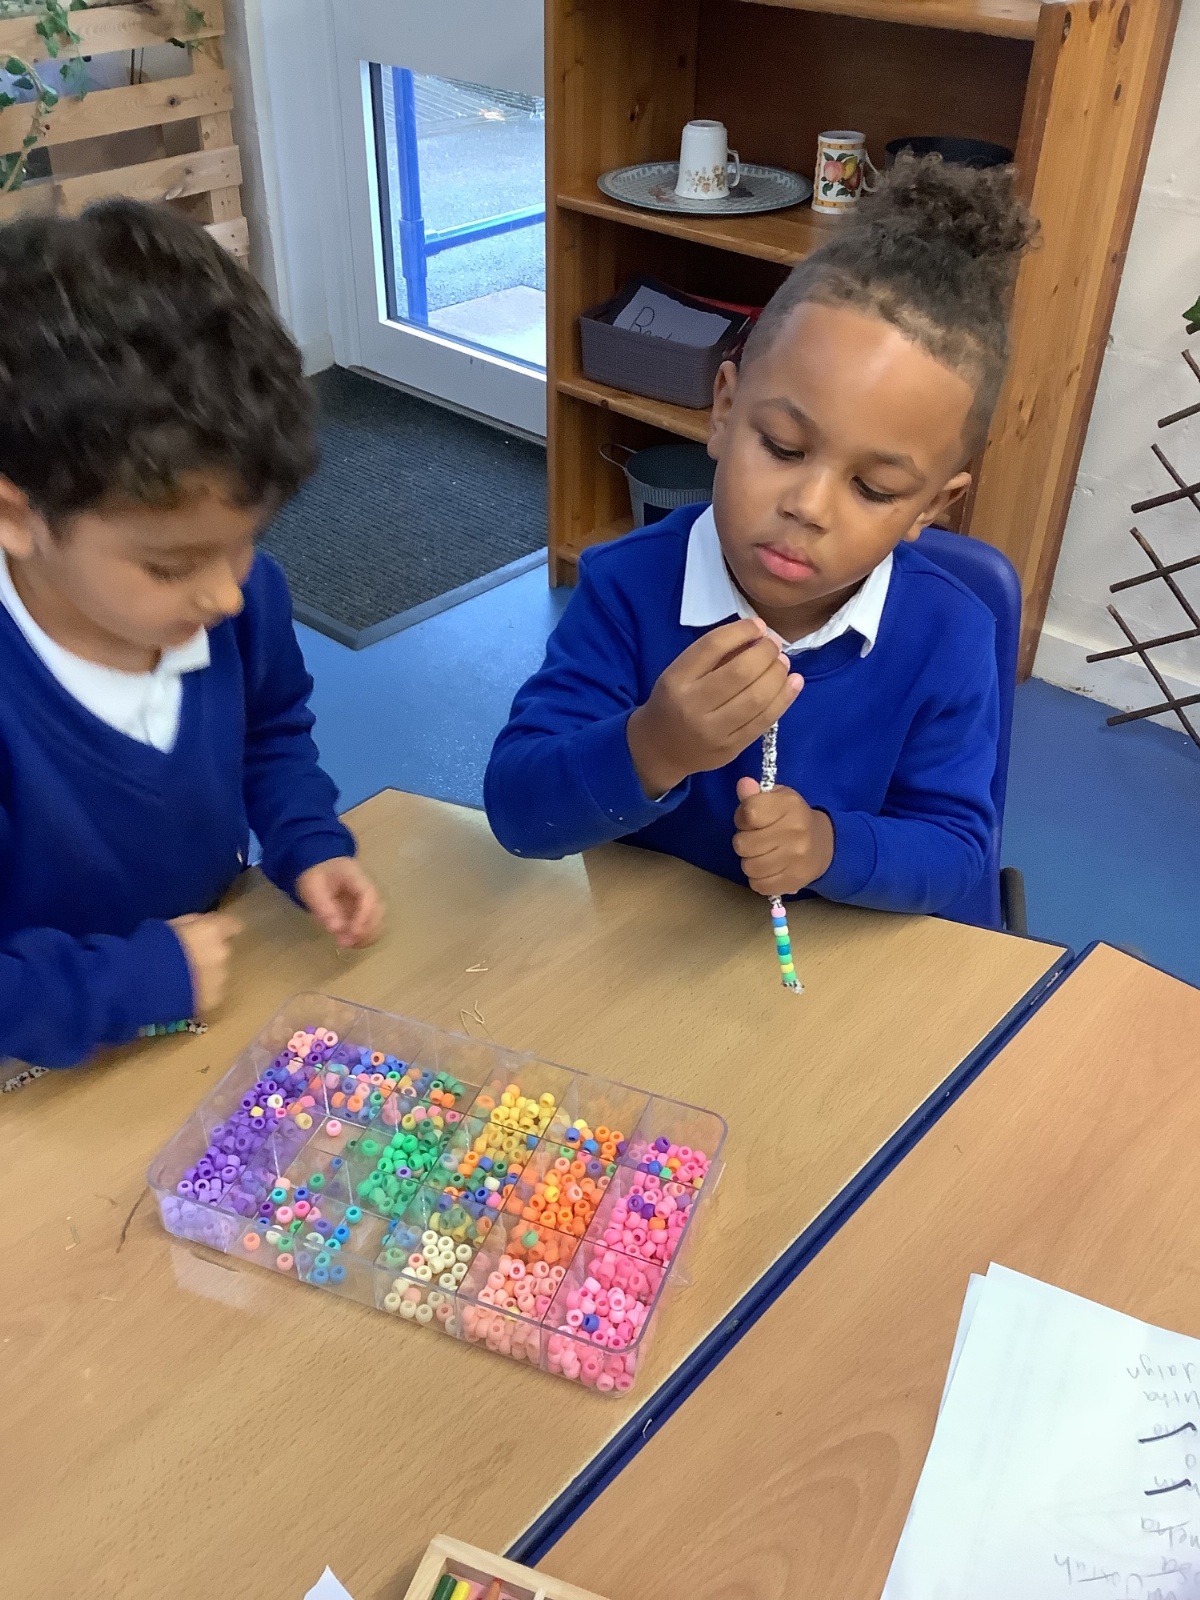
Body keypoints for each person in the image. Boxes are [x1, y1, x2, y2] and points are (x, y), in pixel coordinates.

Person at [486, 156, 1037, 925]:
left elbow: (956, 850)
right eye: (782, 446)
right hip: (652, 959)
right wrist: (654, 747)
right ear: (724, 409)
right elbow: (518, 809)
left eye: (874, 489)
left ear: (931, 507)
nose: (807, 507)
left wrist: (830, 847)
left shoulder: (949, 634)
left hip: (840, 967)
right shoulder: (627, 588)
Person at [0, 200, 383, 1068]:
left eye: (247, 541)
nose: (226, 593)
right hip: (42, 1068)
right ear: (17, 518)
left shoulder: (241, 601)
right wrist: (134, 981)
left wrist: (307, 841)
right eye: (171, 566)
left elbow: (271, 736)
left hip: (203, 1003)